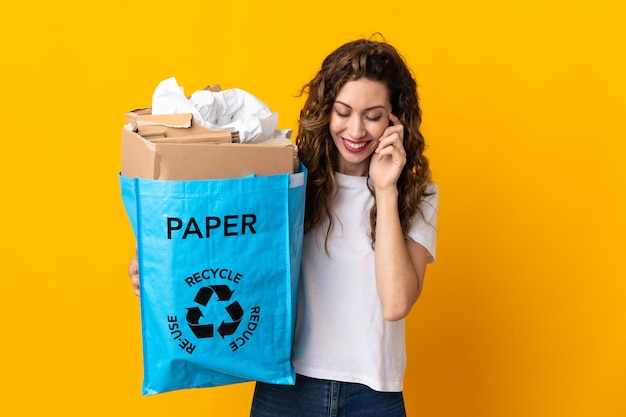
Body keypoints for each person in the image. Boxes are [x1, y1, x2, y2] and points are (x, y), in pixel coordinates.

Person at [128, 36, 438, 417]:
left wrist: (386, 188)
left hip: (373, 396)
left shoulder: (417, 195)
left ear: (396, 119)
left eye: (373, 116)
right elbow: (225, 242)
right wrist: (162, 269)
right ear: (325, 110)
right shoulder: (290, 180)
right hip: (287, 387)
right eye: (343, 112)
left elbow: (396, 303)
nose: (355, 131)